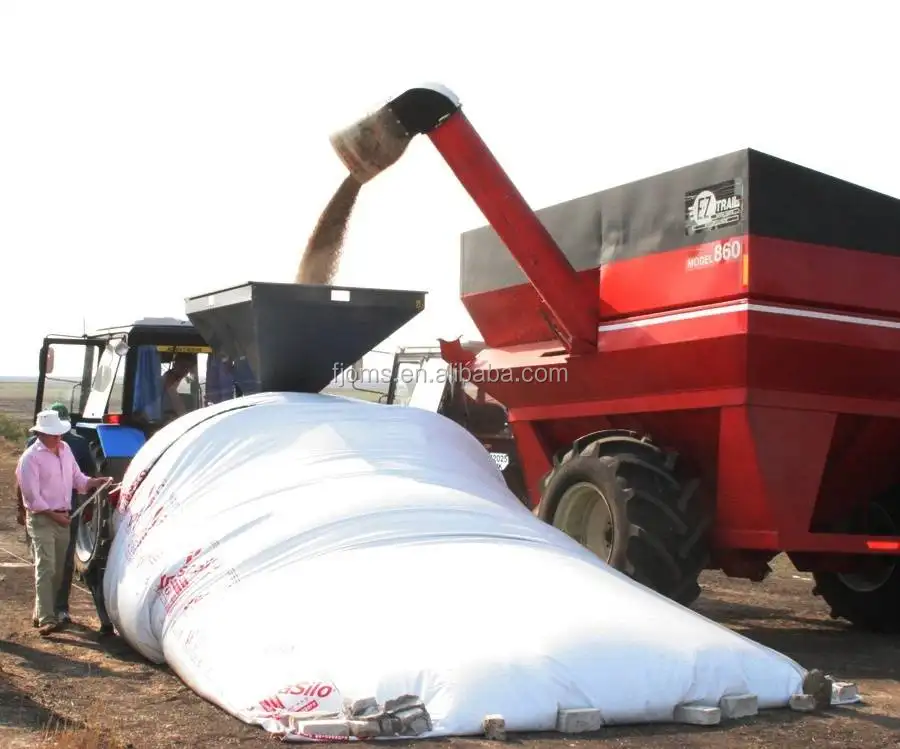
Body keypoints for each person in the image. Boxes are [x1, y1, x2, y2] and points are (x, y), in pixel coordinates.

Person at [16, 409, 110, 636]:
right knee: (46, 566)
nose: (58, 438)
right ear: (40, 434)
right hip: (42, 519)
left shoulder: (66, 450)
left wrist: (94, 482)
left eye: (59, 434)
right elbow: (32, 498)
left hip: (64, 517)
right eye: (53, 434)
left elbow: (78, 479)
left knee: (58, 569)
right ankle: (48, 618)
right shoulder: (30, 459)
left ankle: (42, 611)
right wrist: (53, 515)